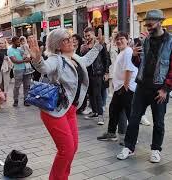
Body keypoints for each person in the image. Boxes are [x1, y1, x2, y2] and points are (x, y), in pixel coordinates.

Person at [28, 28, 104, 180]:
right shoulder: (56, 59)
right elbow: (45, 67)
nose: (71, 41)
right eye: (66, 40)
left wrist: (98, 46)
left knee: (73, 147)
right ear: (57, 45)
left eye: (70, 38)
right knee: (66, 149)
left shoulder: (74, 57)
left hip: (70, 110)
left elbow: (87, 61)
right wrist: (36, 59)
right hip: (55, 111)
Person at [117, 9, 172, 163]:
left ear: (160, 22)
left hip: (159, 88)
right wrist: (134, 56)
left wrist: (166, 89)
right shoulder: (145, 40)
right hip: (142, 87)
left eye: (150, 24)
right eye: (146, 23)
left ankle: (155, 149)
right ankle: (129, 147)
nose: (147, 26)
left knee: (158, 121)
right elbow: (139, 64)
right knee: (133, 119)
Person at [97, 32, 138, 143]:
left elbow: (129, 70)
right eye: (117, 39)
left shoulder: (128, 52)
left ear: (128, 39)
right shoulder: (122, 52)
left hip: (126, 88)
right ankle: (111, 133)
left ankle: (132, 139)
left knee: (130, 114)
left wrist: (125, 86)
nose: (119, 41)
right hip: (120, 88)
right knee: (114, 110)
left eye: (122, 39)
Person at [81, 27, 110, 125]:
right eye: (85, 36)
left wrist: (106, 72)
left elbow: (106, 58)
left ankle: (100, 116)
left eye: (89, 35)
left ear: (93, 34)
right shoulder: (83, 46)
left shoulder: (100, 45)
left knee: (97, 94)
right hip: (87, 74)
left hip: (97, 73)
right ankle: (94, 111)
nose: (87, 38)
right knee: (91, 94)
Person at [8, 36, 32, 107]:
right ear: (13, 42)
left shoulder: (20, 48)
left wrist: (27, 57)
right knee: (17, 86)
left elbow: (24, 55)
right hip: (18, 70)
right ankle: (16, 100)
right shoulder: (10, 50)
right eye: (18, 42)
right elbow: (14, 61)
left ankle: (26, 100)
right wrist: (25, 60)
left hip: (26, 68)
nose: (19, 43)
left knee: (27, 85)